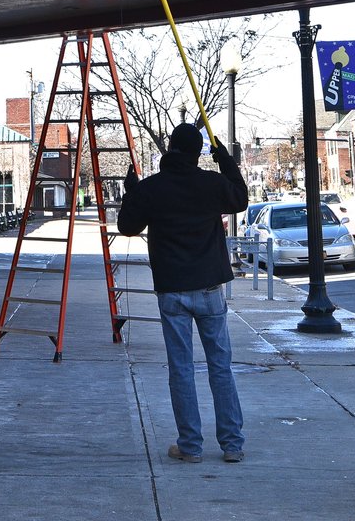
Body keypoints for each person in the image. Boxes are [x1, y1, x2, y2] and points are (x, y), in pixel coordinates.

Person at [116, 121, 249, 464]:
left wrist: (131, 192)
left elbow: (128, 226)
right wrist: (225, 161)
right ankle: (232, 444)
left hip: (172, 289)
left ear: (171, 148)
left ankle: (190, 446)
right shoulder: (212, 183)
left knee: (182, 368)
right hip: (209, 288)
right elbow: (240, 197)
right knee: (220, 366)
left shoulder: (153, 188)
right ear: (198, 153)